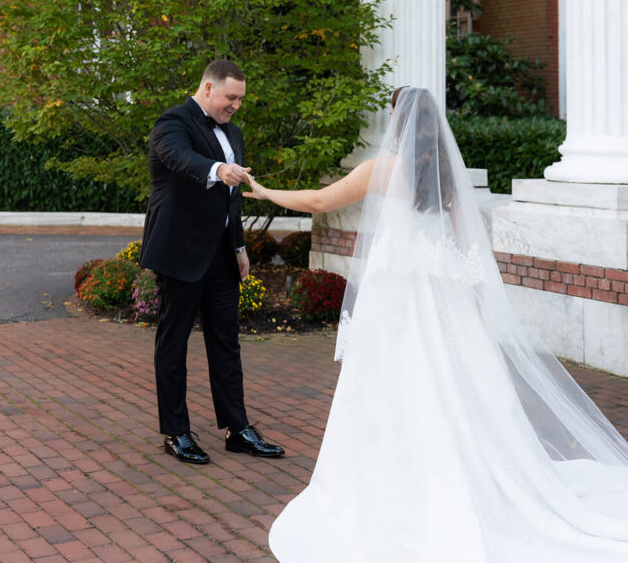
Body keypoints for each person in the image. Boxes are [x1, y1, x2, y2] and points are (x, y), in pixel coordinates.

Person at [244, 87, 628, 561]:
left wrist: (263, 192)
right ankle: (470, 477)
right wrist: (478, 308)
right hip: (443, 295)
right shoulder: (447, 174)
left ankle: (394, 485)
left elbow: (320, 202)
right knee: (456, 388)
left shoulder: (382, 170)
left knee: (389, 388)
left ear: (398, 121)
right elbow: (471, 248)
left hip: (395, 299)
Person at [140, 59, 284, 465]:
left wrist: (238, 248)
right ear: (207, 88)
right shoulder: (172, 122)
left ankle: (237, 429)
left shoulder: (233, 132)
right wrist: (219, 168)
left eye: (240, 98)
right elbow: (180, 159)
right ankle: (176, 432)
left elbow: (231, 200)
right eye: (230, 97)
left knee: (226, 344)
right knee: (173, 344)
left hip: (221, 256)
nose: (236, 105)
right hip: (180, 253)